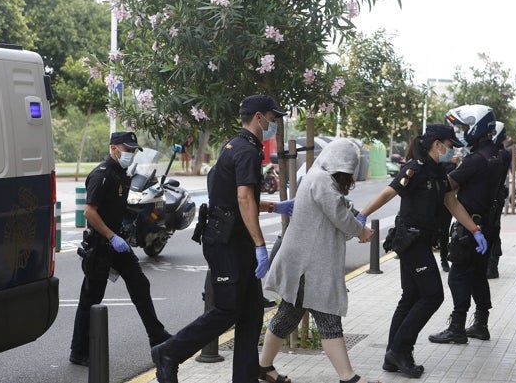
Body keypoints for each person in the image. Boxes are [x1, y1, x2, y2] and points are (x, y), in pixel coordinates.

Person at [151, 94, 294, 383]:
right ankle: (169, 352)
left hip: (232, 239)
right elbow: (242, 198)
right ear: (259, 118)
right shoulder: (247, 152)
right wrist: (260, 245)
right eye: (272, 117)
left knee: (252, 314)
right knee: (228, 309)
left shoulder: (234, 145)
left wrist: (273, 206)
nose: (274, 123)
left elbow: (234, 197)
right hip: (227, 243)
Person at [358, 124, 486, 379]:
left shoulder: (439, 170)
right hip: (411, 239)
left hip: (423, 239)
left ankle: (391, 356)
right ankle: (401, 350)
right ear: (437, 144)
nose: (452, 152)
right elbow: (388, 192)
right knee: (433, 295)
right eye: (449, 146)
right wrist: (362, 215)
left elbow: (452, 202)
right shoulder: (415, 168)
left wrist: (474, 229)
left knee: (410, 297)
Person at [260, 138, 377, 383]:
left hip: (303, 264)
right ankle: (348, 378)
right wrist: (361, 231)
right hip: (308, 267)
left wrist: (355, 220)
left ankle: (262, 367)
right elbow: (338, 214)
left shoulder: (316, 176)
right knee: (328, 317)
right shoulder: (321, 180)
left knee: (285, 318)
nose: (347, 179)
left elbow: (337, 206)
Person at [70, 131, 171, 366]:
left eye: (133, 150)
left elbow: (118, 206)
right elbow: (89, 212)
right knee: (91, 299)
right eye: (127, 150)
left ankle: (156, 335)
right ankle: (79, 351)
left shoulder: (122, 175)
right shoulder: (102, 175)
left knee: (140, 284)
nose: (130, 154)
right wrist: (111, 236)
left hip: (117, 243)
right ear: (114, 148)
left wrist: (145, 202)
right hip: (101, 245)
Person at [429, 104, 510, 345]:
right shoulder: (499, 155)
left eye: (465, 127)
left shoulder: (476, 160)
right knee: (477, 276)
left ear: (477, 126)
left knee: (458, 276)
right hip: (489, 226)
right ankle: (481, 324)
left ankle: (457, 327)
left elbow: (448, 186)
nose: (463, 133)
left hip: (470, 228)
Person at [486, 121, 512, 279]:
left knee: (493, 229)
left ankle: (492, 265)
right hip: (495, 195)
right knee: (492, 229)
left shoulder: (501, 154)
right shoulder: (499, 153)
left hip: (495, 196)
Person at [436, 151, 460, 272]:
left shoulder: (453, 165)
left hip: (446, 202)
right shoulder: (434, 162)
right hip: (432, 202)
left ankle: (444, 259)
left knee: (444, 232)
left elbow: (455, 183)